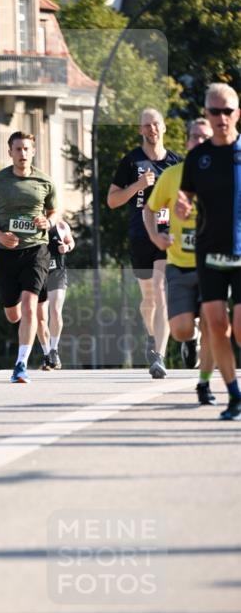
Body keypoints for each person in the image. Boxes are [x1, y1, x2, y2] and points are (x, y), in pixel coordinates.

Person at [176, 83, 241, 421]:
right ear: (206, 114)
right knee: (216, 324)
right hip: (210, 251)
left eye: (227, 110)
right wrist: (182, 206)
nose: (221, 117)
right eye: (214, 111)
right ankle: (233, 395)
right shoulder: (198, 158)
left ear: (237, 114)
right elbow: (184, 196)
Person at [143, 117, 217, 406]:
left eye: (204, 137)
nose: (199, 142)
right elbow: (151, 211)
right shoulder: (171, 176)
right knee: (181, 328)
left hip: (213, 264)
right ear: (187, 143)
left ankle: (205, 383)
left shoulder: (226, 174)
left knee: (214, 323)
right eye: (194, 137)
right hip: (180, 264)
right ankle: (189, 340)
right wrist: (156, 237)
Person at [108, 108, 181, 379]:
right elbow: (112, 201)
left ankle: (159, 356)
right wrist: (138, 185)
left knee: (161, 293)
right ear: (140, 130)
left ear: (163, 127)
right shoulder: (130, 162)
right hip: (140, 236)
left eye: (156, 124)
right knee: (148, 299)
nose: (152, 129)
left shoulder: (176, 163)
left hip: (166, 235)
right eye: (146, 126)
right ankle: (152, 336)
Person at [0, 131, 57, 383]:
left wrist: (48, 222)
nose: (22, 154)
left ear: (33, 151)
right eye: (18, 149)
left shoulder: (44, 181)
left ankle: (21, 363)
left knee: (29, 305)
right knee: (13, 314)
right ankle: (24, 336)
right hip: (5, 253)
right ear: (10, 152)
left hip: (36, 249)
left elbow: (54, 211)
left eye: (26, 149)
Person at [36, 220, 75, 370]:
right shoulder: (32, 222)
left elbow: (71, 241)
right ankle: (46, 355)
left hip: (57, 273)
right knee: (40, 319)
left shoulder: (61, 225)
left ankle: (54, 349)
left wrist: (67, 247)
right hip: (39, 274)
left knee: (56, 311)